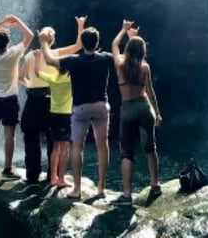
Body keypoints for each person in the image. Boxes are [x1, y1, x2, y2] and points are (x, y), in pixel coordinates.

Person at [41, 21, 114, 200]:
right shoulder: (105, 57)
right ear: (97, 43)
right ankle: (101, 188)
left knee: (77, 146)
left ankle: (77, 189)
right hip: (100, 105)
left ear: (83, 43)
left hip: (80, 108)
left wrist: (43, 42)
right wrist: (129, 36)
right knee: (102, 146)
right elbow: (123, 59)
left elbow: (49, 60)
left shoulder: (73, 60)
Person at [18, 17, 85, 184]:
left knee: (31, 139)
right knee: (53, 141)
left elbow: (20, 77)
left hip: (32, 101)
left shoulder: (30, 56)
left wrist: (30, 87)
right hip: (51, 100)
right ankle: (52, 177)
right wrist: (80, 26)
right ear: (53, 39)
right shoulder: (56, 55)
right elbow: (79, 45)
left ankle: (32, 176)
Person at [110, 19, 163, 205]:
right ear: (143, 52)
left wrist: (124, 31)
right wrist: (157, 113)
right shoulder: (145, 67)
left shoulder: (120, 64)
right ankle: (155, 183)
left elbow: (114, 45)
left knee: (126, 152)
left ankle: (126, 194)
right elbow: (150, 91)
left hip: (128, 108)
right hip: (144, 106)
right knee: (150, 147)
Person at [0, 14, 34, 180]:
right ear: (8, 43)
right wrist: (16, 21)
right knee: (9, 135)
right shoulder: (14, 53)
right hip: (10, 98)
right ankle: (7, 170)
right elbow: (30, 35)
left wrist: (3, 23)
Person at [34, 32, 73, 187]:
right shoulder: (70, 81)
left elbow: (37, 73)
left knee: (55, 147)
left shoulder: (53, 79)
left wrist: (37, 59)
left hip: (52, 115)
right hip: (65, 116)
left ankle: (52, 179)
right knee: (65, 148)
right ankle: (61, 179)